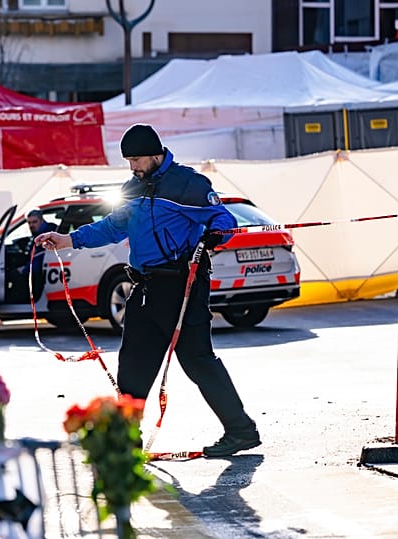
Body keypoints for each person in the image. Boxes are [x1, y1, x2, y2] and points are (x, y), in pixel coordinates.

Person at [35, 124, 261, 457]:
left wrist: (215, 235)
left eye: (137, 159)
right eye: (129, 161)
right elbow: (113, 227)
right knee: (133, 365)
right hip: (144, 288)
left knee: (197, 360)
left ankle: (241, 431)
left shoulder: (187, 184)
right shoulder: (134, 187)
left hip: (183, 286)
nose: (133, 167)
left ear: (156, 154)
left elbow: (224, 220)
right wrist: (69, 239)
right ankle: (128, 443)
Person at [14, 209, 57, 301]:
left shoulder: (48, 233)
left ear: (42, 220)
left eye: (34, 222)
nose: (31, 225)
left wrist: (24, 270)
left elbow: (40, 257)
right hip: (41, 269)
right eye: (29, 223)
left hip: (42, 270)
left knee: (15, 276)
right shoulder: (37, 234)